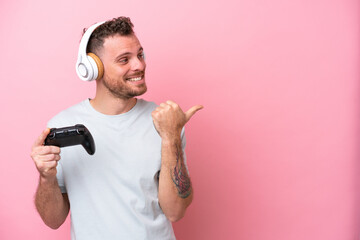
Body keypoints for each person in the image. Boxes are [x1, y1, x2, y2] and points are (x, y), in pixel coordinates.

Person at [30, 16, 202, 240]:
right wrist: (46, 178)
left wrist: (171, 137)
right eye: (124, 59)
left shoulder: (165, 121)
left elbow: (175, 211)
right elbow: (53, 220)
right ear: (93, 68)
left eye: (140, 54)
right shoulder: (61, 126)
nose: (139, 65)